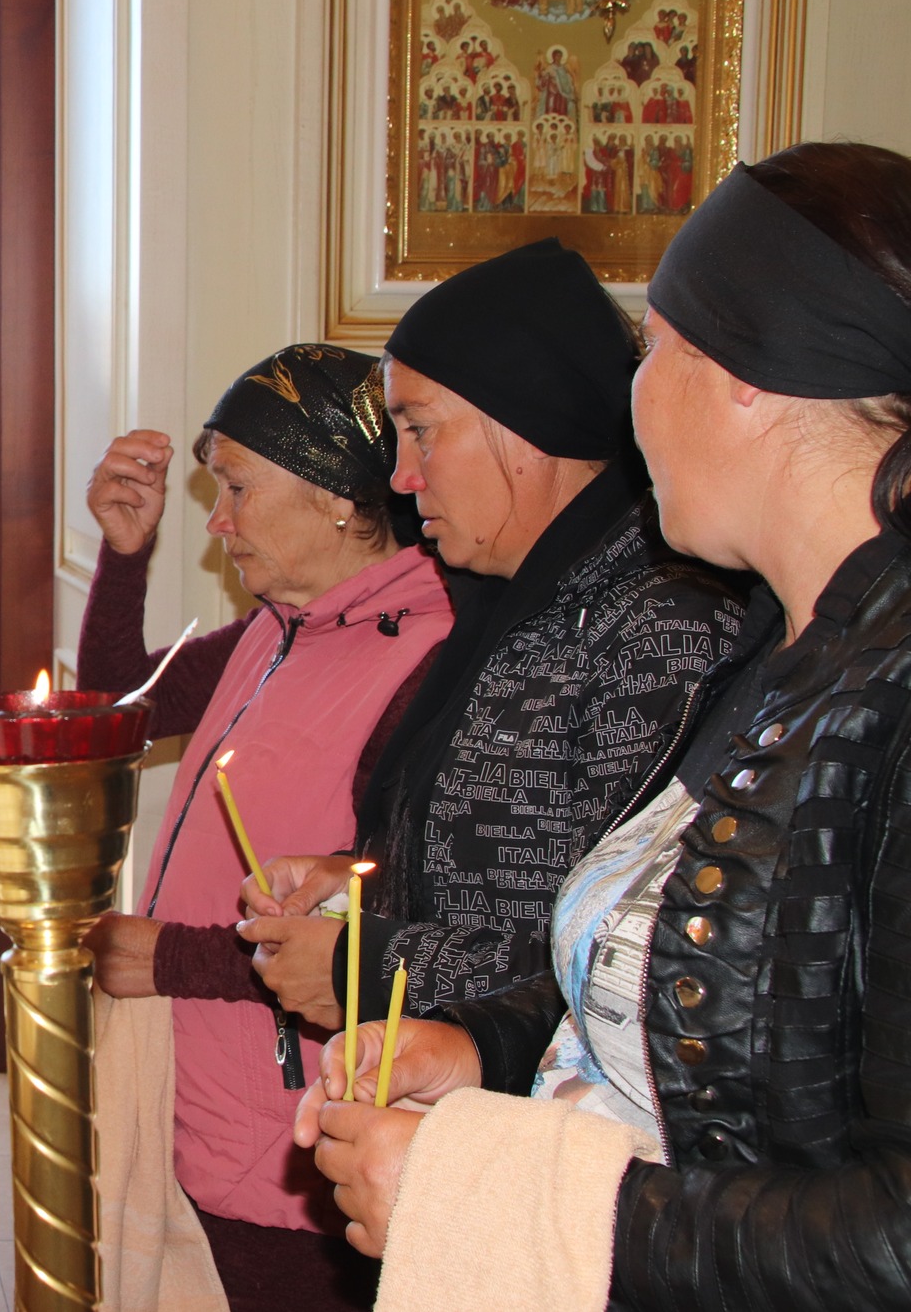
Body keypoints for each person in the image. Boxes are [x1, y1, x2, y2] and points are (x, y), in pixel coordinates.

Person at [296, 141, 911, 1312]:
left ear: (746, 369)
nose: (629, 399)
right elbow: (673, 986)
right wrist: (483, 1047)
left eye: (656, 350)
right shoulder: (780, 652)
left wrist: (489, 1193)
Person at [233, 241, 743, 1067]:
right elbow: (494, 871)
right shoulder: (516, 598)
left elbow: (619, 958)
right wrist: (361, 880)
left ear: (525, 422)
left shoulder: (660, 628)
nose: (401, 476)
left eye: (421, 431)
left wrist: (370, 963)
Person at [78, 346, 454, 1309]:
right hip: (206, 1107)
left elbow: (400, 922)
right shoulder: (275, 627)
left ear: (337, 495)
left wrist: (168, 958)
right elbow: (116, 708)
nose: (218, 520)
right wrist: (124, 554)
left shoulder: (431, 659)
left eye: (238, 487)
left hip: (299, 1143)